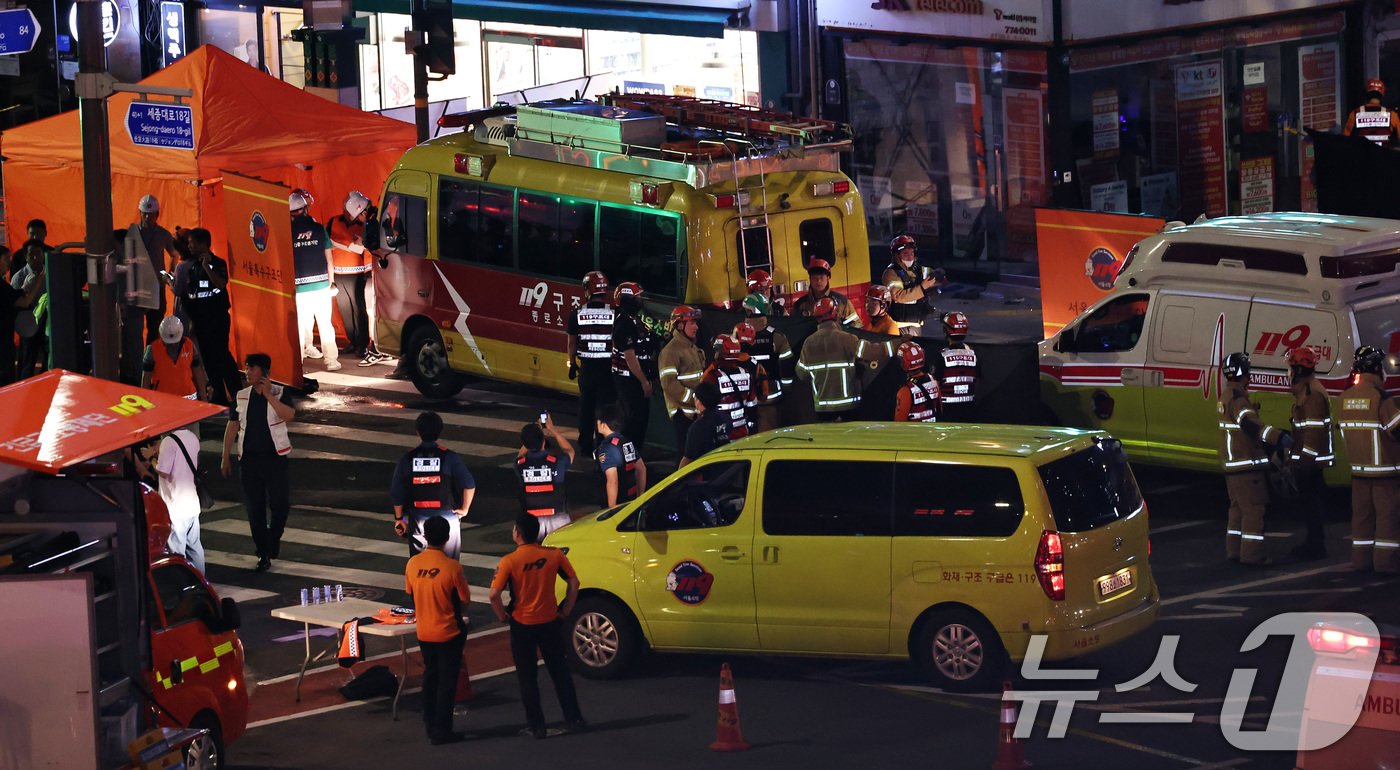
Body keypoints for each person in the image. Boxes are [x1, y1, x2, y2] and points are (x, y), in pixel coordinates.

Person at [490, 514, 586, 739]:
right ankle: (574, 719)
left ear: (517, 533)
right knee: (560, 673)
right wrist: (566, 611)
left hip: (522, 624)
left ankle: (537, 725)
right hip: (550, 622)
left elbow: (494, 594)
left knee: (527, 677)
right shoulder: (553, 555)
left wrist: (503, 616)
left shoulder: (509, 561)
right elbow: (574, 582)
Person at [221, 353, 296, 572]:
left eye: (251, 368)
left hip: (275, 459)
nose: (247, 371)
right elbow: (233, 425)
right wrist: (225, 455)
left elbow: (289, 414)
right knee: (255, 510)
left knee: (281, 505)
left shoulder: (281, 392)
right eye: (246, 368)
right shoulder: (241, 395)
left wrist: (269, 396)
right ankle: (263, 552)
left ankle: (273, 539)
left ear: (263, 372)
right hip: (250, 461)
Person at [1217, 352, 1289, 567]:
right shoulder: (1239, 400)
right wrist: (1279, 437)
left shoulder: (1226, 396)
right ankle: (1252, 555)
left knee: (1237, 509)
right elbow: (1251, 426)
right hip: (1246, 464)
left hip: (1232, 465)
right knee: (1254, 510)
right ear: (1242, 373)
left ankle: (1234, 551)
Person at [405, 515, 470, 746]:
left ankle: (429, 721)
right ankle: (442, 730)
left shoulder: (412, 564)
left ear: (425, 536)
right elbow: (464, 599)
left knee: (430, 677)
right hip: (448, 631)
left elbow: (411, 592)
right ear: (447, 537)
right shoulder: (452, 567)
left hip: (424, 631)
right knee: (447, 682)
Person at [1337, 346, 1400, 574]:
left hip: (1358, 472)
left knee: (1362, 519)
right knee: (1387, 519)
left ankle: (1361, 560)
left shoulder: (1344, 399)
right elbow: (1396, 430)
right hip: (1384, 472)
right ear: (1375, 367)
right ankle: (1386, 563)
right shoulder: (1381, 399)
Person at [390, 411, 476, 559]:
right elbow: (469, 484)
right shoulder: (449, 456)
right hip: (447, 517)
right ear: (439, 431)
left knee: (420, 562)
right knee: (450, 564)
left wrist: (399, 519)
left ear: (418, 432)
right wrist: (464, 509)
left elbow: (397, 492)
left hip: (418, 519)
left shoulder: (407, 458)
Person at [796, 297, 887, 422]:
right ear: (836, 314)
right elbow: (873, 352)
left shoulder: (808, 343)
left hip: (822, 409)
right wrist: (899, 342)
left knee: (828, 439)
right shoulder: (847, 338)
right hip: (849, 408)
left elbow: (801, 374)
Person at [123, 195, 184, 384]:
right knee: (134, 331)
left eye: (152, 214)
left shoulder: (163, 234)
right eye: (145, 214)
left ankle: (151, 364)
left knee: (154, 328)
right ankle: (135, 368)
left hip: (156, 287)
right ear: (140, 213)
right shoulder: (131, 233)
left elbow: (174, 253)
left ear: (157, 214)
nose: (148, 218)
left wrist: (169, 274)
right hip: (136, 288)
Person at [176, 228, 239, 405]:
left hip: (217, 318)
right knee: (208, 359)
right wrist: (193, 320)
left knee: (222, 355)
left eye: (192, 242)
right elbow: (191, 296)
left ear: (203, 244)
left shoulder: (218, 263)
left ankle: (237, 392)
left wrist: (207, 267)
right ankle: (218, 394)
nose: (189, 246)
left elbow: (220, 283)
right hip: (201, 321)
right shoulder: (192, 267)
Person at [1285, 346, 1333, 561]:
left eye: (1291, 368)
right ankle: (1313, 543)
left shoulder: (1311, 394)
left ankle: (1315, 546)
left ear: (1299, 370)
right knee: (1310, 504)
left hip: (1310, 463)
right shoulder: (1307, 391)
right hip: (1308, 461)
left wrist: (1304, 460)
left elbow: (1313, 432)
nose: (1289, 373)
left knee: (1312, 504)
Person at [290, 189, 341, 370]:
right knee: (325, 324)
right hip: (321, 286)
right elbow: (329, 259)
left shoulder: (286, 231)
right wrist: (331, 282)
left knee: (300, 325)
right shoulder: (319, 229)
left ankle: (298, 363)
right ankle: (332, 360)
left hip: (299, 287)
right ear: (305, 209)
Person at [566, 270, 615, 453]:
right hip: (607, 370)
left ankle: (585, 444)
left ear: (588, 289)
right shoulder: (614, 313)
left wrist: (572, 364)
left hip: (587, 369)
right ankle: (601, 443)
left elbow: (572, 343)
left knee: (586, 407)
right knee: (604, 408)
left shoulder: (576, 314)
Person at [610, 281, 659, 445]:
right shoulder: (624, 324)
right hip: (629, 381)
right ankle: (627, 458)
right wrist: (644, 381)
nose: (640, 300)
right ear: (626, 300)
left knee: (640, 420)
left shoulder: (637, 321)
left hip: (638, 379)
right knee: (631, 421)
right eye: (637, 297)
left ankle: (635, 456)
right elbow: (630, 356)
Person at [329, 191, 376, 363]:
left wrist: (351, 244)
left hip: (358, 273)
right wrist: (349, 244)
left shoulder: (368, 224)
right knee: (345, 309)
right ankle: (352, 341)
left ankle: (363, 344)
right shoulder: (334, 221)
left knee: (359, 309)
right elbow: (330, 241)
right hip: (339, 273)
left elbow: (364, 246)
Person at [154, 425, 205, 573]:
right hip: (192, 502)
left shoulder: (168, 441)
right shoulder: (192, 437)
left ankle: (182, 587)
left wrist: (152, 459)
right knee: (195, 548)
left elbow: (163, 471)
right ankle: (201, 582)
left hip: (175, 505)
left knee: (177, 553)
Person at [515, 415, 575, 540]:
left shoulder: (519, 465)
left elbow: (520, 455)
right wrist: (552, 429)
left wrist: (533, 435)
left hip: (531, 521)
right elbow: (569, 450)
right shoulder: (557, 462)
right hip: (558, 519)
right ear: (543, 442)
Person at [739, 293, 792, 433]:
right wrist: (786, 391)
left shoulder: (736, 336)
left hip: (744, 400)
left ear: (749, 311)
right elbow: (787, 368)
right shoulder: (777, 337)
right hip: (771, 400)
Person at [658, 304, 707, 451]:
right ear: (680, 325)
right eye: (692, 323)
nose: (696, 327)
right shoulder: (670, 351)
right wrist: (694, 399)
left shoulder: (692, 347)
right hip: (683, 413)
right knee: (685, 454)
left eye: (696, 323)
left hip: (696, 411)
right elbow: (669, 385)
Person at [882, 234, 944, 333]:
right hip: (899, 326)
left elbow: (931, 275)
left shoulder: (917, 269)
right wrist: (922, 288)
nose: (910, 257)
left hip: (915, 324)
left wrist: (939, 274)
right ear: (896, 255)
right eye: (905, 253)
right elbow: (899, 296)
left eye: (912, 253)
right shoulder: (891, 273)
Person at [0, 247, 44, 385]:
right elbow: (25, 302)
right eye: (6, 258)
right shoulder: (5, 285)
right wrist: (40, 280)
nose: (9, 262)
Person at [701, 333, 757, 441]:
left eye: (716, 350)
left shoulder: (712, 376)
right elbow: (752, 404)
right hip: (742, 433)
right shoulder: (746, 374)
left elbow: (702, 405)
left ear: (721, 353)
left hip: (720, 436)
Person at [142, 316, 209, 401]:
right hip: (163, 402)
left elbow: (198, 373)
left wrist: (204, 399)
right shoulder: (152, 349)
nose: (172, 345)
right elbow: (146, 379)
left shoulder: (189, 345)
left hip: (188, 402)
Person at [595, 404, 646, 508]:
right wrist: (640, 498)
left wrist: (611, 509)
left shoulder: (607, 448)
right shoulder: (626, 443)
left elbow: (612, 481)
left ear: (603, 424)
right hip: (630, 501)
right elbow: (642, 469)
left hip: (616, 505)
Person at [933, 311, 980, 422]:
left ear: (946, 331)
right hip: (969, 409)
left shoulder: (942, 355)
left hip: (947, 410)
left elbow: (935, 384)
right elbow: (978, 381)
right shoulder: (973, 354)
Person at [13, 240, 49, 379]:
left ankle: (45, 387)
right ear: (25, 256)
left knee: (47, 359)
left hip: (47, 324)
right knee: (28, 360)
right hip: (28, 323)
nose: (35, 257)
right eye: (31, 254)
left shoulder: (50, 272)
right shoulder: (19, 277)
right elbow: (17, 304)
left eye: (38, 253)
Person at [792, 258, 860, 327]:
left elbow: (857, 325)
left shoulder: (843, 302)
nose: (818, 281)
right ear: (810, 278)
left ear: (828, 277)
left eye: (821, 277)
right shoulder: (800, 305)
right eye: (815, 277)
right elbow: (793, 328)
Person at [680, 381, 729, 467]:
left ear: (699, 401)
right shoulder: (727, 419)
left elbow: (688, 458)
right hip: (727, 469)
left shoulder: (697, 427)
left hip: (707, 474)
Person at [1343, 78, 1400, 147]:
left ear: (1365, 94)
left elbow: (1345, 139)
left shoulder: (1355, 114)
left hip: (1362, 156)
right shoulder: (1392, 115)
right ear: (1382, 95)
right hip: (1384, 156)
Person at [893, 341, 941, 423]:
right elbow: (940, 408)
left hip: (913, 434)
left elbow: (900, 421)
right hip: (932, 431)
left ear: (904, 363)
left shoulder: (905, 390)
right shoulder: (933, 380)